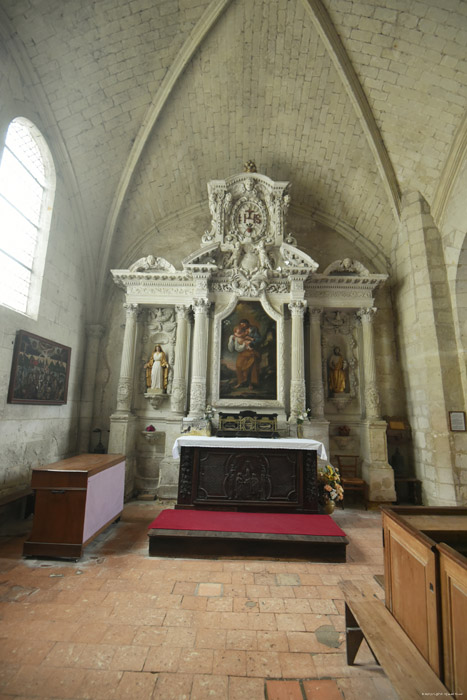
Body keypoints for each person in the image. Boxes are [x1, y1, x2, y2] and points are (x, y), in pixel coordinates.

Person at [228, 318, 261, 389]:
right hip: (243, 352)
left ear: (247, 323)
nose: (243, 326)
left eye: (244, 324)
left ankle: (251, 384)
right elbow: (237, 338)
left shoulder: (253, 329)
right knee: (239, 366)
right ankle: (241, 382)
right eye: (241, 325)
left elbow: (259, 339)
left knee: (250, 367)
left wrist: (252, 342)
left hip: (251, 351)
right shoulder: (240, 330)